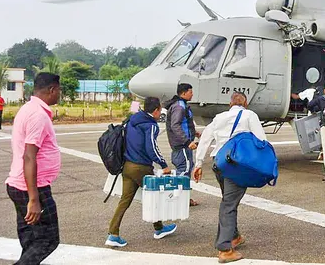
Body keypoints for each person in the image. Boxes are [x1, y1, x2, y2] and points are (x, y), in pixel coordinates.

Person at [193, 92, 267, 263]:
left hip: (219, 164)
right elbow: (261, 140)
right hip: (237, 166)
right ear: (245, 103)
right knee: (229, 204)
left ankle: (234, 236)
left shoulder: (219, 117)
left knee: (228, 200)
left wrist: (198, 164)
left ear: (230, 103)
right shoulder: (249, 115)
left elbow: (205, 139)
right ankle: (225, 249)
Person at [5, 73, 62, 264]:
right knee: (48, 239)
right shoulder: (38, 115)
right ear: (52, 89)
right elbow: (29, 156)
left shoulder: (28, 109)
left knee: (31, 240)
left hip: (20, 184)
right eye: (59, 90)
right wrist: (34, 198)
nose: (59, 94)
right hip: (31, 187)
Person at [106, 97, 177, 247]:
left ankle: (113, 234)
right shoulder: (150, 125)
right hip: (141, 167)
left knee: (125, 201)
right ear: (156, 110)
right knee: (155, 196)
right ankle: (159, 229)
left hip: (127, 166)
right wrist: (164, 165)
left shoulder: (132, 120)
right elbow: (151, 148)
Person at [164, 83, 200, 206]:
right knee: (184, 170)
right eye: (190, 91)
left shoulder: (182, 105)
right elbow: (175, 125)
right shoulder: (179, 107)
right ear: (184, 93)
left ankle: (184, 197)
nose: (192, 94)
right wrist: (187, 141)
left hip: (183, 145)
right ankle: (176, 198)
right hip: (182, 146)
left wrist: (195, 133)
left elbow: (185, 124)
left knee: (186, 169)